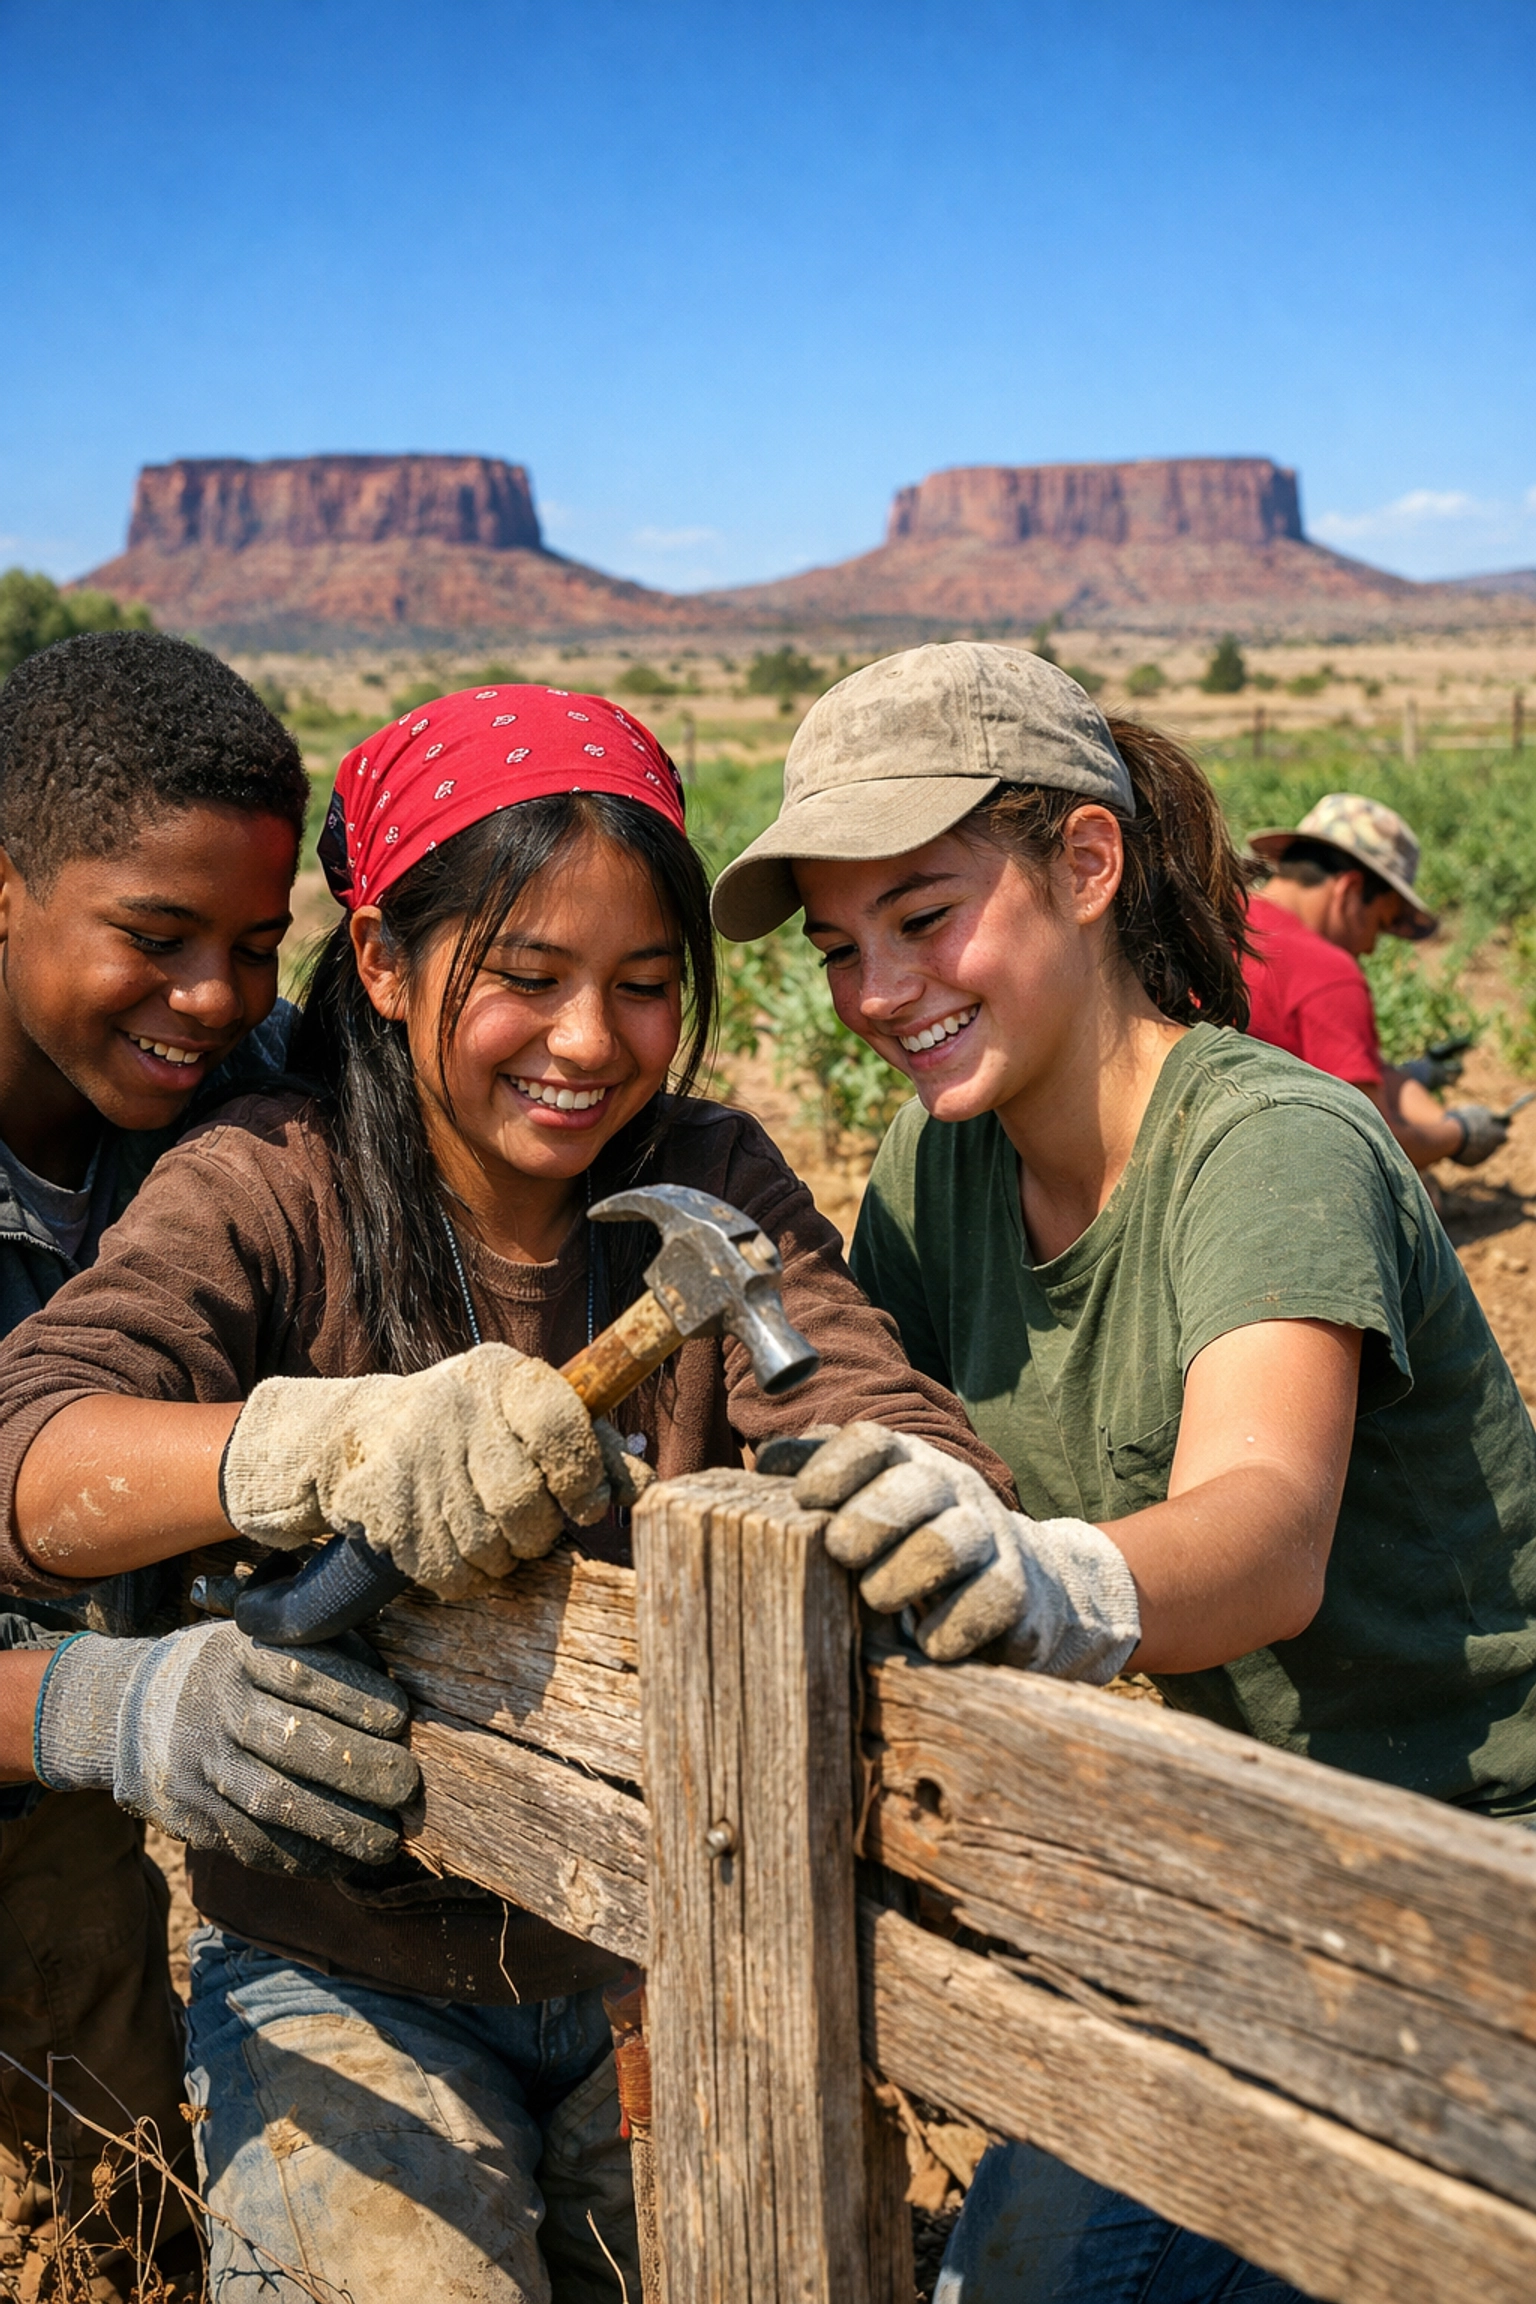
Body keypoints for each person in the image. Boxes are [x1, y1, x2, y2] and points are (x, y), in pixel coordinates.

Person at [0, 682, 1011, 2304]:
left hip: (658, 1937)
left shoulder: (711, 1172)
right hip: (344, 1966)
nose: (589, 1040)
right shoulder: (271, 1177)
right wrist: (312, 1442)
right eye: (527, 977)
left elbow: (848, 1388)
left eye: (645, 984)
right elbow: (33, 1452)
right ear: (387, 966)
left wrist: (926, 1493)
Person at [711, 641, 1536, 2304]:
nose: (877, 990)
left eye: (926, 915)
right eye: (840, 943)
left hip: (1459, 1871)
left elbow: (1264, 1530)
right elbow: (893, 1424)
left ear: (1086, 863)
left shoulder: (1269, 1140)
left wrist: (1038, 1576)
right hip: (1218, 1854)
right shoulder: (940, 1169)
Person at [0, 631, 411, 2298]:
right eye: (156, 938)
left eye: (255, 945)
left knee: (105, 2214)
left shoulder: (245, 1095)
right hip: (59, 1722)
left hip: (52, 1797)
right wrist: (106, 1707)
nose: (215, 997)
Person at [1243, 792, 1505, 1173]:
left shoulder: (1216, 914)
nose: (1369, 948)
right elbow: (1376, 1143)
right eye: (1380, 924)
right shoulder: (1326, 970)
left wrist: (1412, 1079)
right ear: (1349, 890)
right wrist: (1460, 1135)